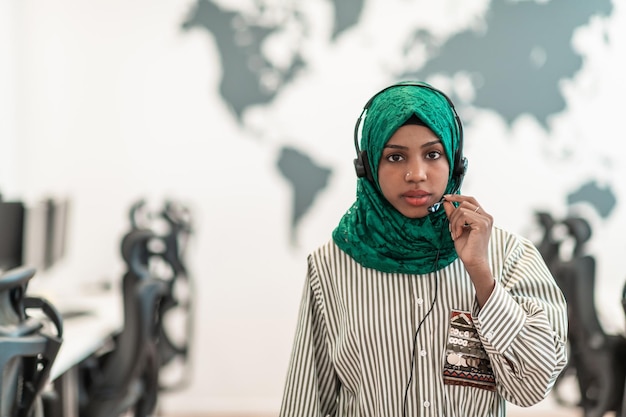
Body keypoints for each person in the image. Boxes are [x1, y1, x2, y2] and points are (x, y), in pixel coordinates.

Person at [279, 81, 568, 416]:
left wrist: (482, 276)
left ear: (456, 162)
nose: (415, 174)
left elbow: (531, 387)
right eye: (395, 157)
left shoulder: (509, 255)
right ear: (368, 166)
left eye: (433, 154)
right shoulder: (332, 263)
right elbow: (307, 401)